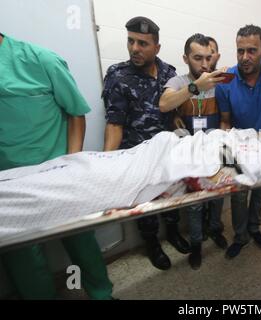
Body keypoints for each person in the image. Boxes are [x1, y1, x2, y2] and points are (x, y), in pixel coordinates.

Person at [0, 33, 113, 299]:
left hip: (55, 174)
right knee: (22, 256)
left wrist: (70, 165)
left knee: (80, 240)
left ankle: (101, 293)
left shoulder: (41, 60)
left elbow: (75, 112)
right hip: (8, 185)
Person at [102, 17, 190, 271]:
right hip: (137, 155)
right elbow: (114, 123)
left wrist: (178, 126)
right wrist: (107, 162)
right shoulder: (118, 75)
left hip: (167, 153)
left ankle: (172, 232)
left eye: (142, 43)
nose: (134, 48)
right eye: (130, 41)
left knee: (172, 198)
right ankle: (152, 243)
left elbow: (172, 111)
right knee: (145, 206)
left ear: (157, 48)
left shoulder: (168, 73)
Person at [216, 25, 261, 259]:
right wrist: (227, 156)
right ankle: (240, 236)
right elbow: (225, 122)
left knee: (260, 190)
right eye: (240, 51)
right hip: (239, 144)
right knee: (238, 194)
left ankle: (254, 228)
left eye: (251, 51)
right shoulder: (225, 81)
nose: (244, 57)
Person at [159, 33, 228, 270]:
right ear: (185, 58)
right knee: (195, 203)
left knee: (219, 196)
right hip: (190, 156)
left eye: (209, 57)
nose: (205, 64)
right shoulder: (178, 81)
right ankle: (197, 243)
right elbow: (165, 104)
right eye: (198, 58)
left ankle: (216, 229)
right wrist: (194, 87)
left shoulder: (222, 81)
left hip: (216, 152)